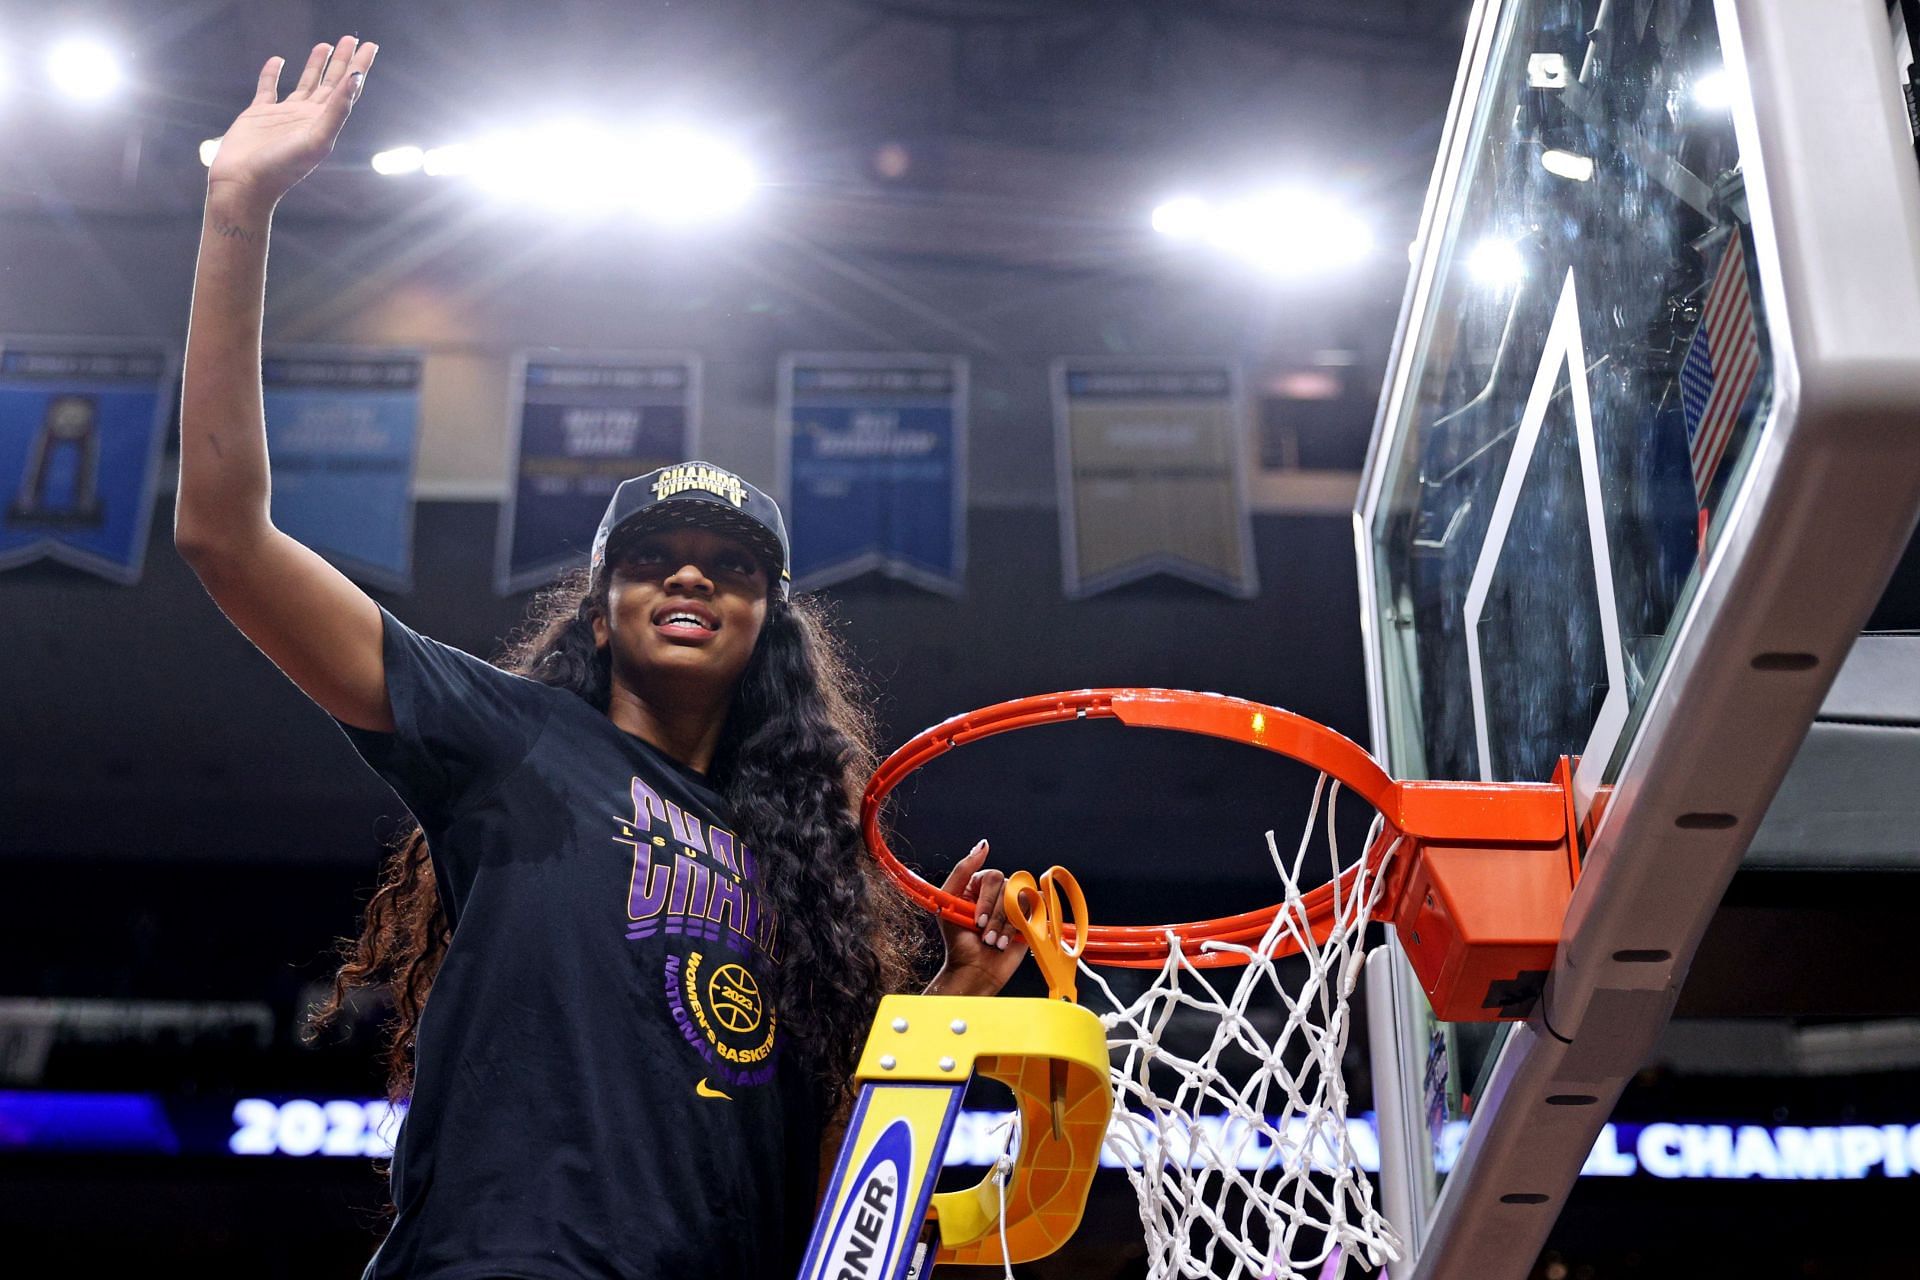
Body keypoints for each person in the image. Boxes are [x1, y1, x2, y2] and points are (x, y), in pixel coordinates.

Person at [175, 36, 1028, 1278]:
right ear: (596, 607)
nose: (690, 573)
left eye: (730, 562)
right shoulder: (505, 738)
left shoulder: (806, 869)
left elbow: (849, 1188)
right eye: (655, 555)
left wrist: (959, 992)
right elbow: (223, 537)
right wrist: (239, 209)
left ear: (769, 621)